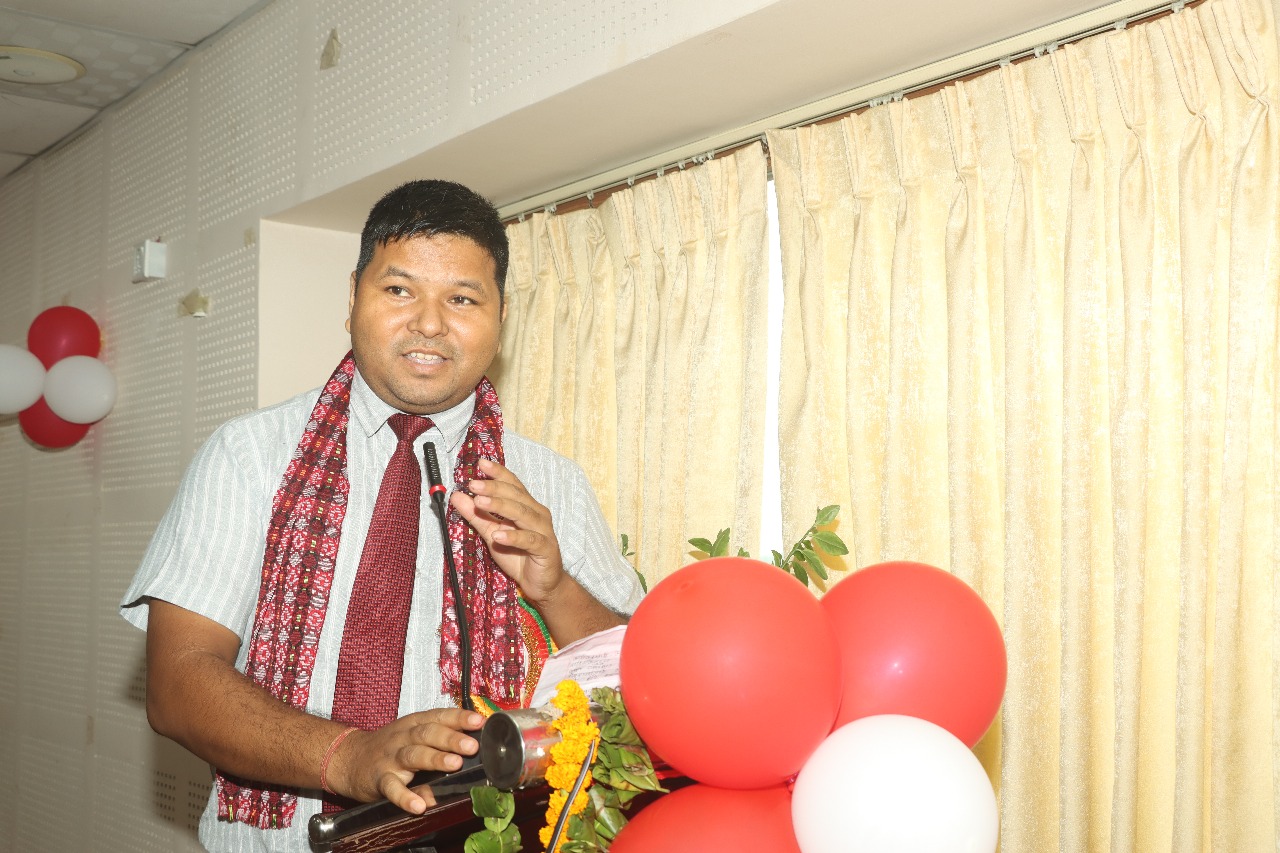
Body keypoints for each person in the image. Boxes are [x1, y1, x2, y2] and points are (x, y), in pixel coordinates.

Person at [120, 179, 644, 852]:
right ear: (353, 297)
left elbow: (633, 693)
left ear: (501, 317)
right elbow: (178, 682)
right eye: (400, 290)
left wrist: (556, 588)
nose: (429, 323)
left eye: (462, 299)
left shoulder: (552, 486)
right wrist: (349, 755)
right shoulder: (248, 456)